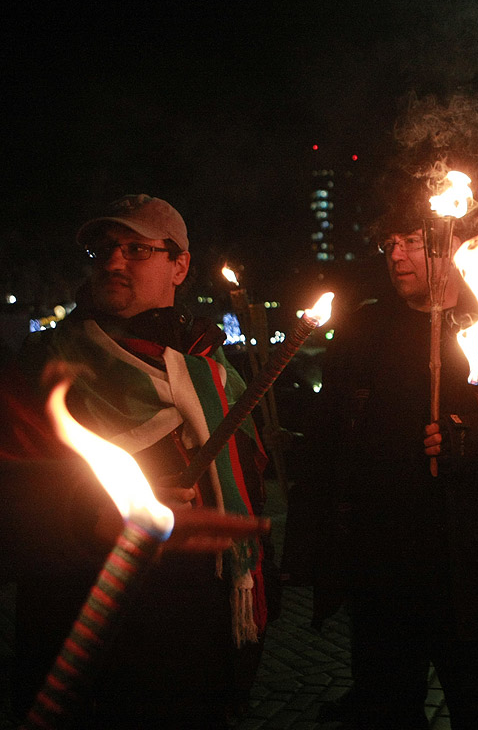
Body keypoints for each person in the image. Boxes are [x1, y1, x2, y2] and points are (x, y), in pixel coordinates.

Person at [283, 193, 478, 729]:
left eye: (412, 243)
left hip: (470, 569)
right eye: (388, 244)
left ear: (450, 246)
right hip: (380, 570)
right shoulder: (365, 330)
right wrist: (309, 549)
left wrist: (473, 440)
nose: (395, 256)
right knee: (385, 708)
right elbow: (326, 443)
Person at [5, 194, 275, 728]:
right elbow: (9, 495)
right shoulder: (43, 367)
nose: (113, 261)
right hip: (84, 628)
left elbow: (249, 497)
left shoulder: (213, 367)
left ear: (179, 265)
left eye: (136, 249)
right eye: (103, 249)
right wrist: (92, 521)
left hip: (192, 640)